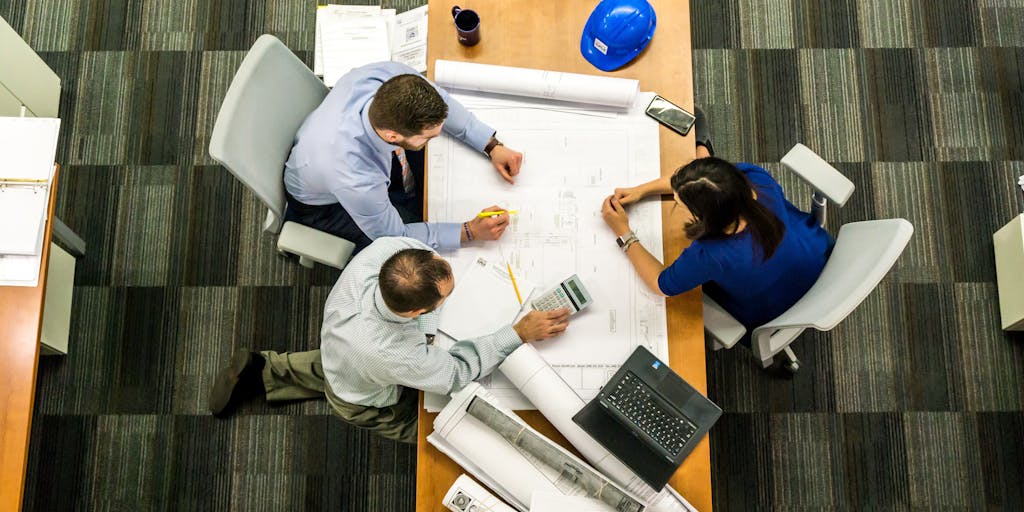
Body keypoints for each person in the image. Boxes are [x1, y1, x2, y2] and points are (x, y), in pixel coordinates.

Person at [208, 237, 571, 443]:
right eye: (444, 298)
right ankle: (442, 438)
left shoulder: (386, 252)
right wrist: (517, 332)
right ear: (415, 313)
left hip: (341, 346)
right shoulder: (394, 353)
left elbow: (422, 254)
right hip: (363, 396)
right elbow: (456, 373)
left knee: (335, 365)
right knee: (434, 429)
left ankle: (264, 369)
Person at [599, 113, 833, 348]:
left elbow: (661, 285)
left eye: (680, 204)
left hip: (773, 309)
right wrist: (641, 190)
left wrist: (624, 232)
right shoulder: (755, 179)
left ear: (704, 217)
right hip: (817, 256)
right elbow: (702, 180)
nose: (676, 203)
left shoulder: (710, 255)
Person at [284, 61, 525, 253]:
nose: (436, 138)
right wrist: (469, 231)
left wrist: (491, 145)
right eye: (428, 137)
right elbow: (394, 236)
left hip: (329, 150)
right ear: (392, 135)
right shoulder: (355, 177)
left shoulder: (390, 77)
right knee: (414, 252)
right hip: (324, 206)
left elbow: (443, 102)